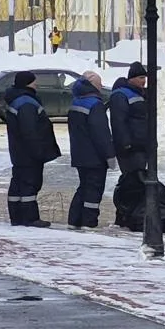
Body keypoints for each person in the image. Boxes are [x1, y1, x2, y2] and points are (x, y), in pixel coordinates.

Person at [4, 72, 61, 228]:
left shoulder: (16, 100)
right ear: (27, 83)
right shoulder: (27, 103)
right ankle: (30, 218)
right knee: (30, 183)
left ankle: (16, 217)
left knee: (18, 183)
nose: (36, 84)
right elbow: (30, 130)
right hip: (29, 152)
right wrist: (38, 152)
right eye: (34, 82)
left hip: (18, 151)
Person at [108, 62, 156, 225]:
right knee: (131, 181)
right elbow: (118, 122)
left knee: (138, 181)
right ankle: (123, 215)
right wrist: (126, 144)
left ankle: (132, 214)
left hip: (142, 146)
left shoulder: (140, 93)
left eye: (145, 78)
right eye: (141, 78)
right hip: (130, 148)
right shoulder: (121, 95)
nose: (144, 81)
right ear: (132, 78)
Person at [66, 72, 115, 230]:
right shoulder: (94, 104)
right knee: (94, 189)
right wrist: (109, 155)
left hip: (79, 154)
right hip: (95, 157)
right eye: (99, 84)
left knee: (83, 186)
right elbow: (101, 133)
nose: (101, 86)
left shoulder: (76, 101)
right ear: (93, 85)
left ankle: (74, 219)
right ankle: (89, 221)